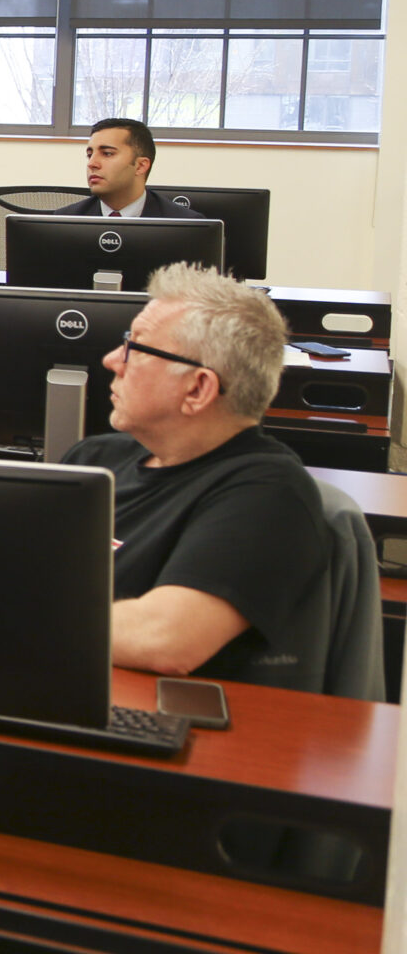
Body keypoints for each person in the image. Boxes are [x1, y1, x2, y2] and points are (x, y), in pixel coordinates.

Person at [61, 263, 332, 689]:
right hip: (56, 686)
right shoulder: (93, 458)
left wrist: (3, 613)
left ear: (198, 389)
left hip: (173, 734)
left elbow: (166, 639)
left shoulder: (270, 494)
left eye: (136, 347)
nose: (112, 360)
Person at [57, 117, 203, 219]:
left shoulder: (186, 226)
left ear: (140, 166)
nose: (92, 163)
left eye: (107, 154)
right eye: (90, 155)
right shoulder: (63, 221)